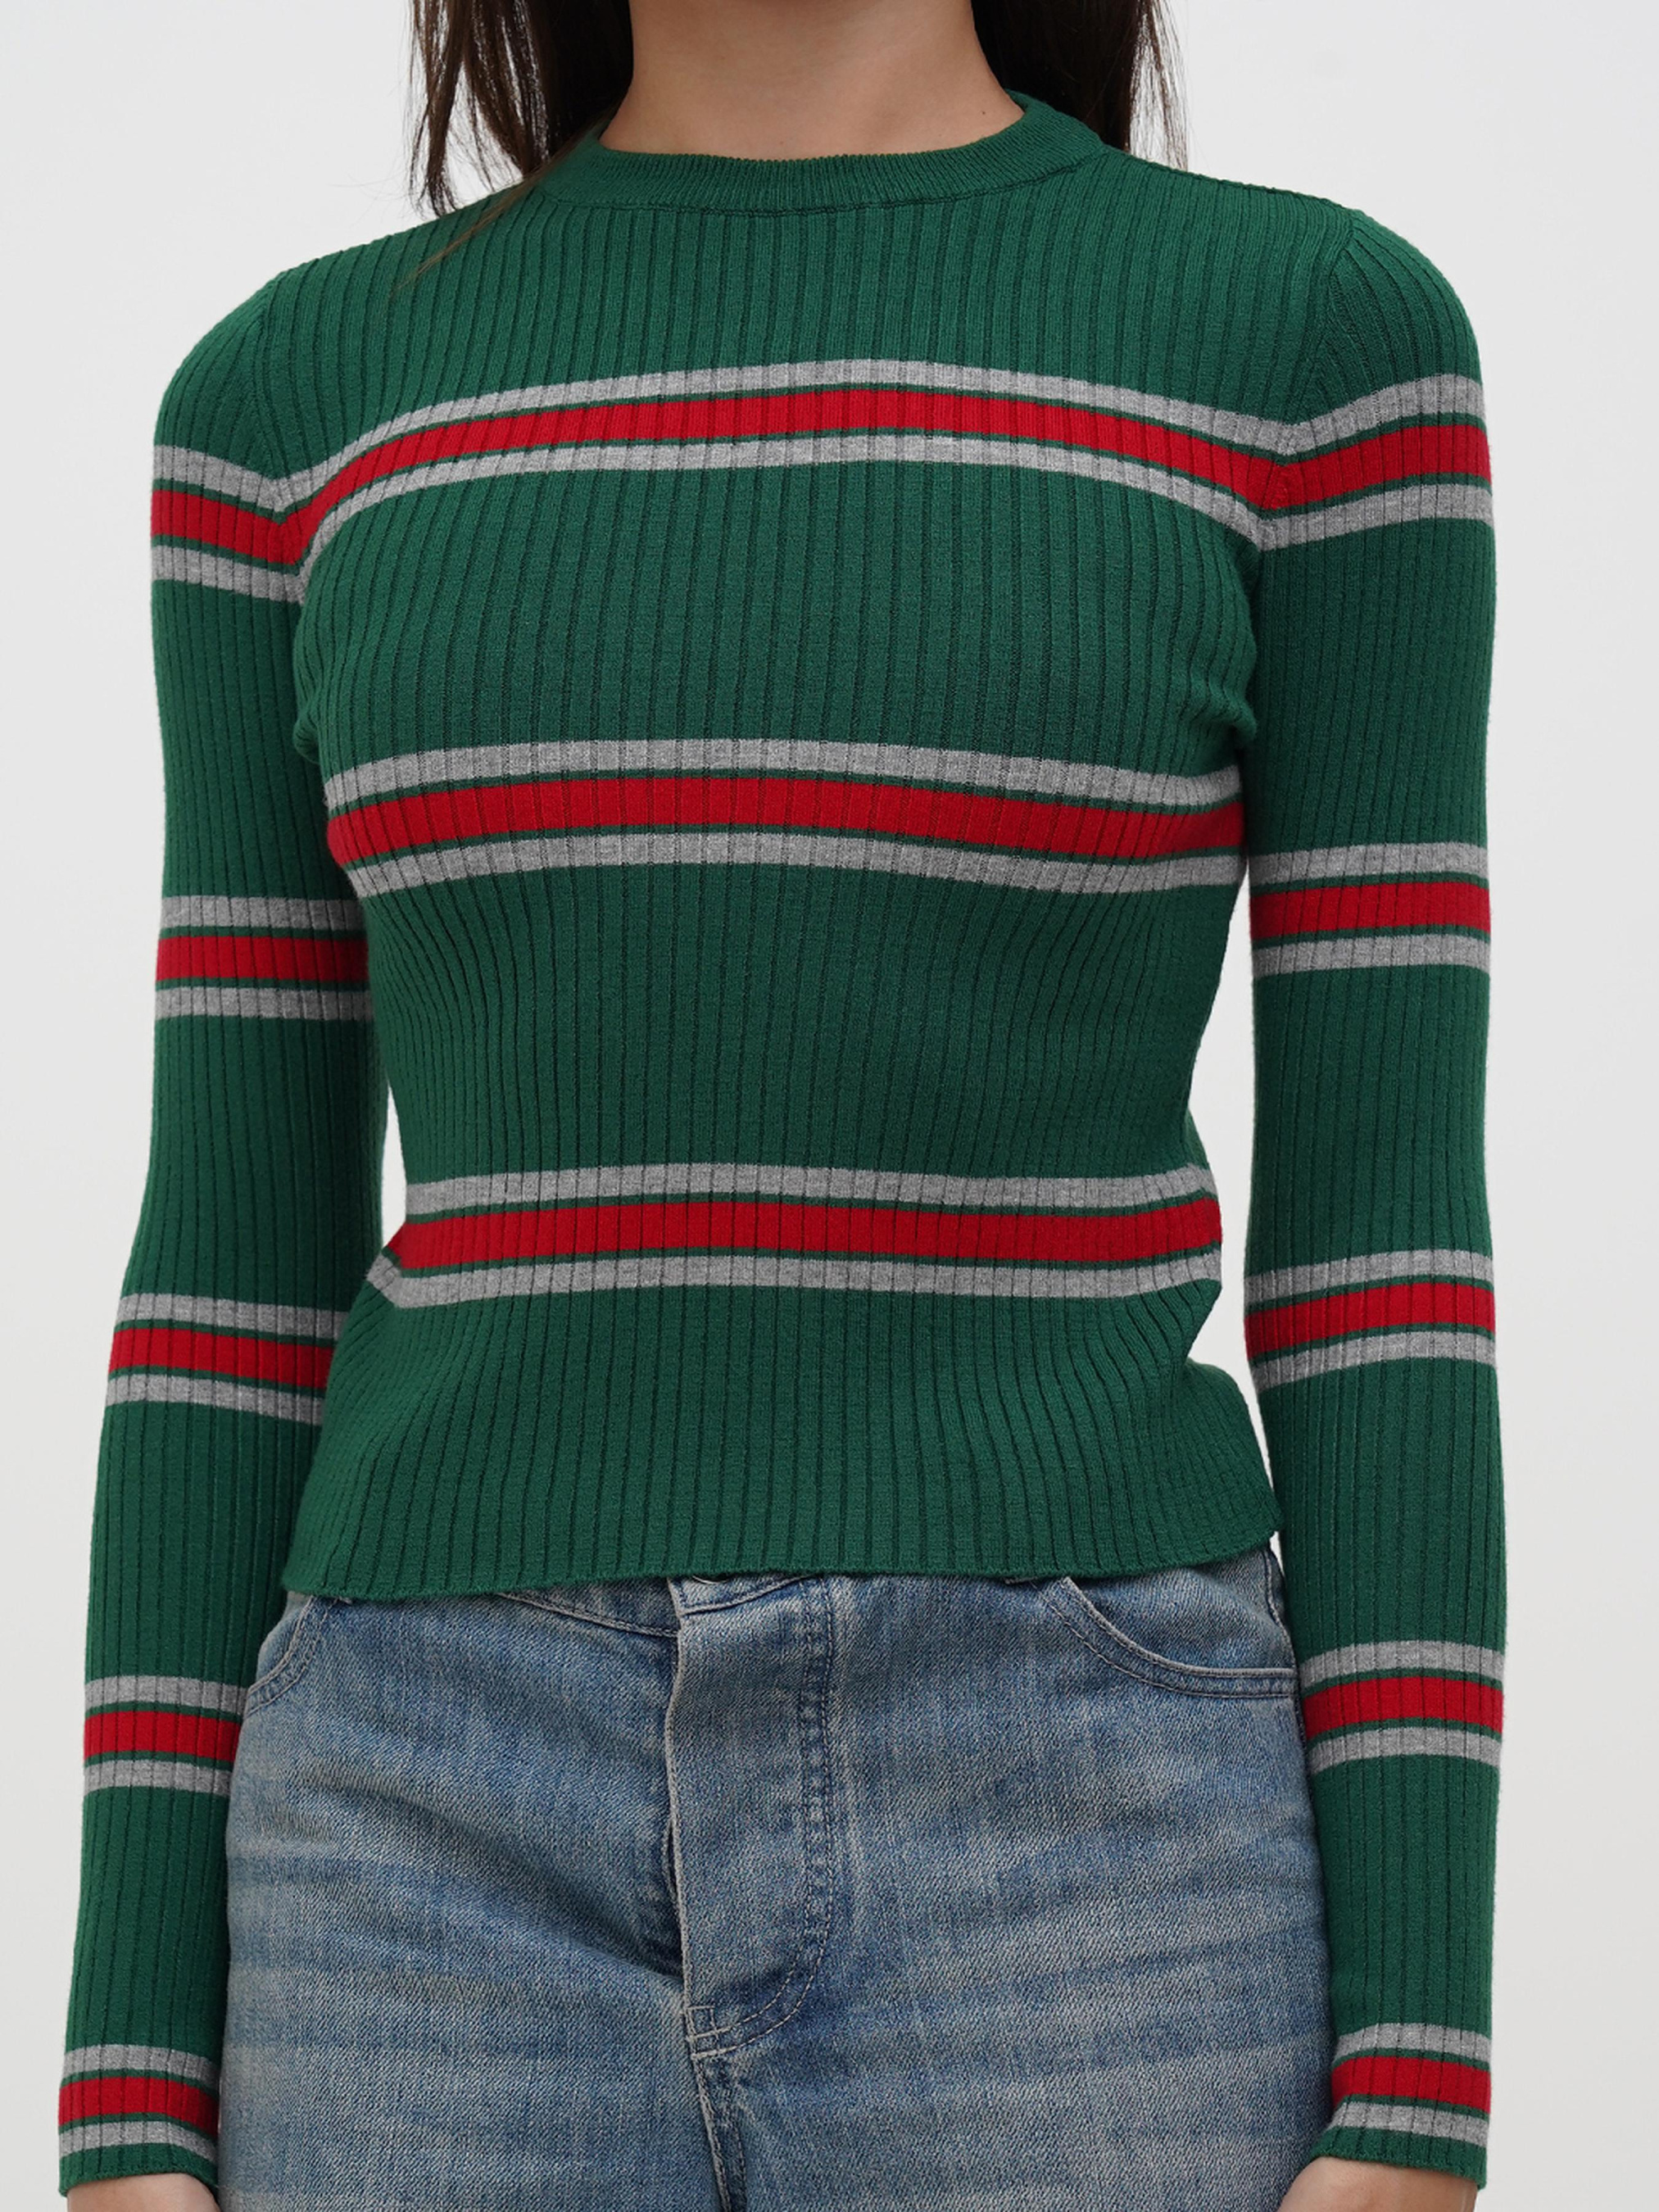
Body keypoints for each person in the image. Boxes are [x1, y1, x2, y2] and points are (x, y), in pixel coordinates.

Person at [59, 2, 1503, 2206]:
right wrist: (128, 2071)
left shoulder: (1304, 344)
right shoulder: (294, 401)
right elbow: (228, 1280)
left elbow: (1381, 1250)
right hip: (414, 1847)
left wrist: (1417, 2073)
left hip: (1087, 1837)